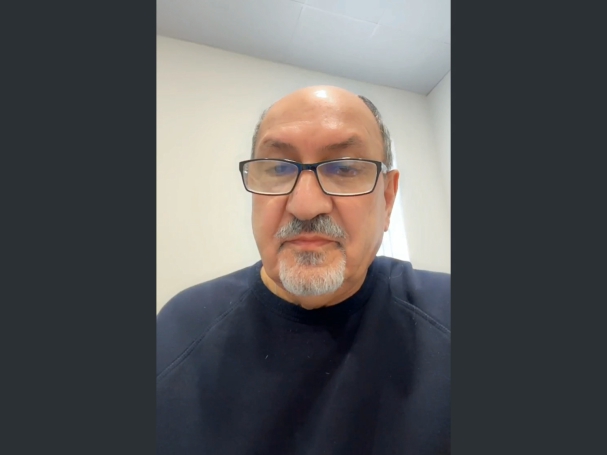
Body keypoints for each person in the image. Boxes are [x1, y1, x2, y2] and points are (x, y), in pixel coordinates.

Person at [156, 86, 450, 454]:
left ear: (387, 199)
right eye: (279, 168)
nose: (306, 205)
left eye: (344, 168)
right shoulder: (177, 332)